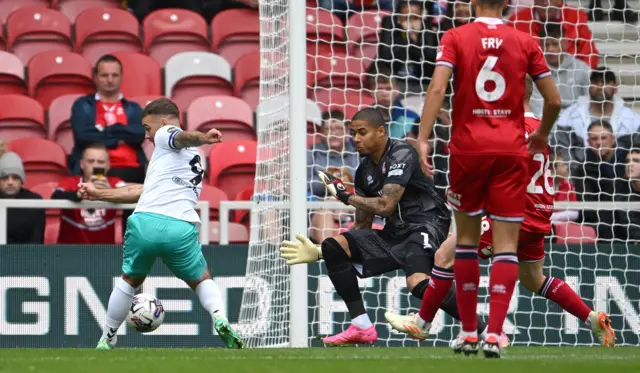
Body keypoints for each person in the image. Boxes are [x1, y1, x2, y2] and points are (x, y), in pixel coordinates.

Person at [385, 76, 616, 349]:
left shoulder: (514, 130)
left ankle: (422, 324)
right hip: (538, 215)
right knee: (533, 279)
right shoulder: (539, 129)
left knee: (444, 256)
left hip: (516, 216)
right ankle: (592, 319)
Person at [281, 108, 502, 346]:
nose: (355, 139)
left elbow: (386, 206)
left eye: (362, 132)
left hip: (426, 225)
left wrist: (346, 196)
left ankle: (487, 331)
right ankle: (361, 326)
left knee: (418, 284)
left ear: (381, 131)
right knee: (336, 245)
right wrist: (321, 252)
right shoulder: (364, 171)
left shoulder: (402, 153)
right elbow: (363, 224)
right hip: (394, 233)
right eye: (353, 133)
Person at [417, 0, 562, 357]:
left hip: (467, 150)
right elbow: (554, 101)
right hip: (511, 151)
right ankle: (495, 334)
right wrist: (542, 133)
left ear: (471, 4)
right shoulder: (526, 41)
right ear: (508, 5)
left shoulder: (455, 36)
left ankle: (469, 332)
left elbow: (437, 89)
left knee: (464, 242)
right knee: (506, 247)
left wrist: (422, 138)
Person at [77, 98, 243, 350]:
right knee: (201, 279)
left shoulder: (166, 134)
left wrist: (202, 137)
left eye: (147, 127)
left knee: (129, 280)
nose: (146, 135)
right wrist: (99, 194)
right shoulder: (195, 160)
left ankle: (107, 338)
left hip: (145, 223)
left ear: (163, 121)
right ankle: (220, 317)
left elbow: (181, 137)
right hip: (181, 227)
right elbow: (143, 190)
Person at [52, 143, 126, 244]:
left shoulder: (115, 183)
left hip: (104, 252)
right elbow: (56, 195)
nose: (95, 165)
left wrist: (110, 193)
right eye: (90, 161)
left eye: (101, 162)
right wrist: (79, 194)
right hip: (70, 251)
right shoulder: (70, 182)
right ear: (82, 164)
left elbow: (132, 195)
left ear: (108, 165)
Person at [0, 152, 45, 244]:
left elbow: (36, 241)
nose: (10, 182)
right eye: (5, 178)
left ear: (22, 181)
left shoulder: (34, 201)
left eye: (15, 178)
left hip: (25, 256)